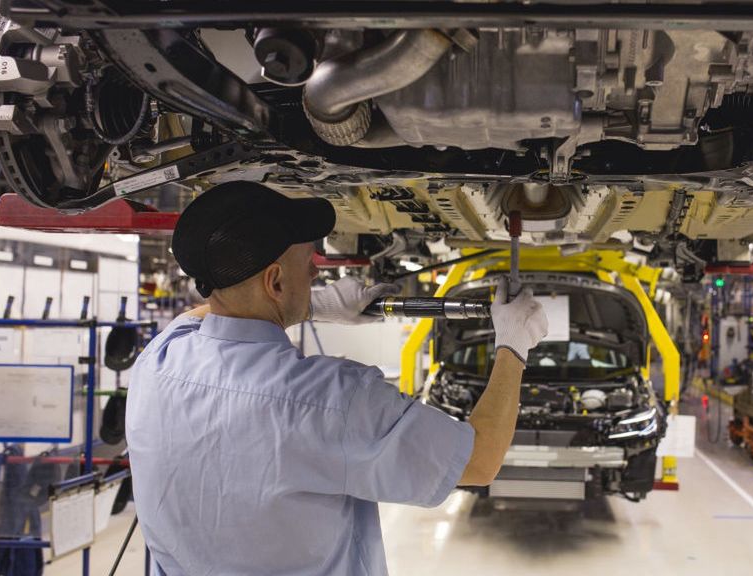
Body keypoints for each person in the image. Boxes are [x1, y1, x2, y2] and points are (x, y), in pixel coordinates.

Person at [125, 181, 548, 576]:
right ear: (274, 281)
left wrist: (317, 305)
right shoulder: (333, 402)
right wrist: (513, 344)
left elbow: (202, 313)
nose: (315, 275)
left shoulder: (157, 363)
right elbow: (481, 459)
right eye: (309, 265)